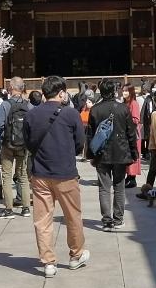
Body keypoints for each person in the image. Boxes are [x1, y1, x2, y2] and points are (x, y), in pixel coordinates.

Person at [25, 76, 90, 277]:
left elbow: (28, 143)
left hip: (40, 172)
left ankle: (48, 262)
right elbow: (80, 142)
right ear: (61, 93)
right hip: (65, 172)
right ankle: (76, 255)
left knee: (42, 219)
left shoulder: (31, 114)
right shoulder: (71, 114)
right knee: (72, 215)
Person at [89, 77, 135, 230]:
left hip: (101, 153)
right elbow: (130, 132)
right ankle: (118, 218)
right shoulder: (123, 108)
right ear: (114, 91)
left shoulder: (95, 109)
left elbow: (90, 135)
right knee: (119, 186)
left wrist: (91, 154)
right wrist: (133, 152)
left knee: (104, 188)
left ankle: (107, 220)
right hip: (120, 151)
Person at [0, 77, 32, 219]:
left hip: (8, 144)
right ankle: (26, 208)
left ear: (11, 87)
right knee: (23, 175)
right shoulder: (28, 105)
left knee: (6, 176)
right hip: (23, 145)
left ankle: (8, 209)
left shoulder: (5, 105)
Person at [122, 85, 141, 188]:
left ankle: (132, 178)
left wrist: (125, 118)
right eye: (123, 90)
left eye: (126, 90)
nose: (124, 92)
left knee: (133, 154)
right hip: (125, 133)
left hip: (133, 134)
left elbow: (136, 119)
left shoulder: (134, 103)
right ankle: (128, 176)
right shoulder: (124, 103)